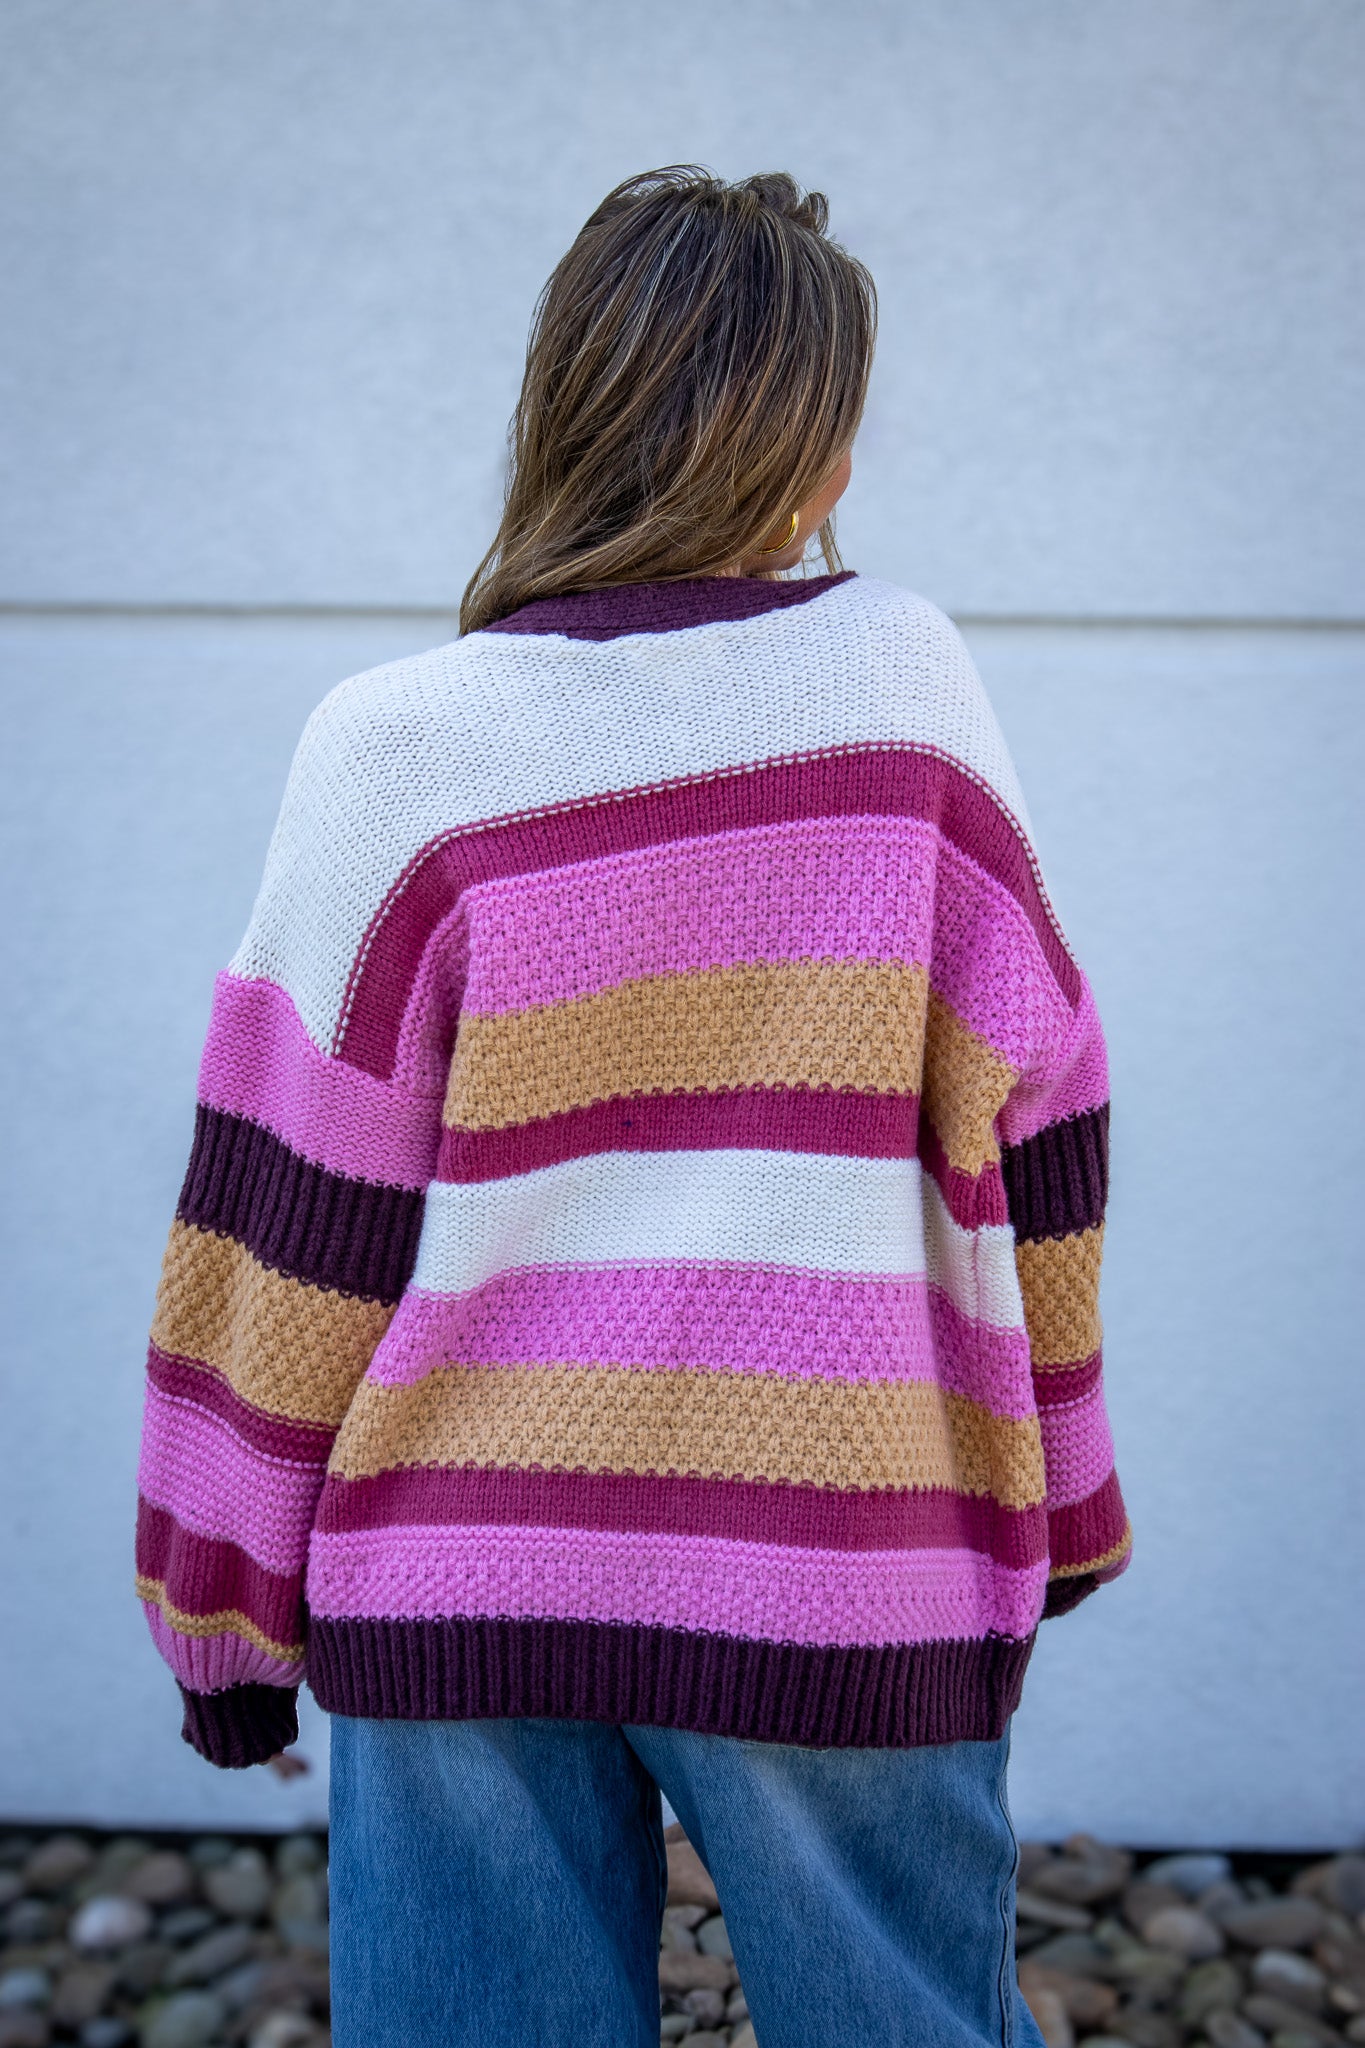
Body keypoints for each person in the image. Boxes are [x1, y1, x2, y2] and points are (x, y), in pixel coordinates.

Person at [134, 165, 1131, 2048]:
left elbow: (285, 1210)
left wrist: (228, 1610)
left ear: (564, 407)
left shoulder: (393, 746)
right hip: (838, 1556)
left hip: (455, 1564)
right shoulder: (896, 696)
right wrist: (1056, 1500)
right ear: (815, 455)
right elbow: (1043, 1128)